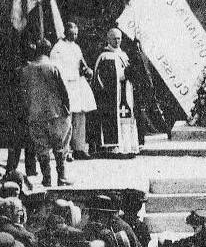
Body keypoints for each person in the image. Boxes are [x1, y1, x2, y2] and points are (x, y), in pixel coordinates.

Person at [20, 40, 72, 187]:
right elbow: (64, 91)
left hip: (35, 114)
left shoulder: (26, 70)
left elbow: (23, 94)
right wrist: (67, 109)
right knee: (59, 146)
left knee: (41, 148)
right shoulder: (54, 67)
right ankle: (61, 177)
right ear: (49, 51)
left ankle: (46, 179)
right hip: (55, 114)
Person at [50, 20, 96, 158]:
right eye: (72, 33)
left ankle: (79, 148)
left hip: (78, 85)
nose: (74, 36)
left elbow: (82, 63)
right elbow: (55, 69)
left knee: (80, 116)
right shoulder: (58, 48)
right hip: (66, 85)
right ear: (65, 32)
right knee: (67, 118)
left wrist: (87, 69)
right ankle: (65, 150)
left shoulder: (76, 47)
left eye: (76, 33)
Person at [92, 27, 140, 157]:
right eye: (114, 38)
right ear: (108, 39)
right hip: (112, 97)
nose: (117, 41)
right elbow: (103, 79)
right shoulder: (105, 56)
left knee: (126, 118)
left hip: (125, 93)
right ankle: (115, 148)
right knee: (116, 119)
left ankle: (127, 146)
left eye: (119, 38)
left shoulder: (123, 55)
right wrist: (124, 76)